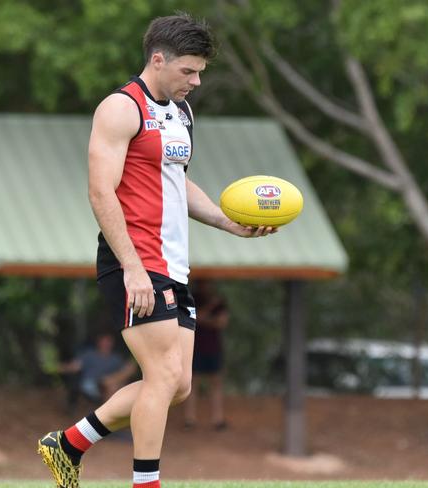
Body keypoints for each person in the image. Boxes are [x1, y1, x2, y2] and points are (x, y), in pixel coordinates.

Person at [37, 13, 277, 488]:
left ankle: (68, 444)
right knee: (164, 376)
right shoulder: (120, 109)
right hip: (134, 262)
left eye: (201, 71)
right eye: (188, 70)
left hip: (172, 263)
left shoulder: (181, 113)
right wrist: (132, 267)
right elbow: (101, 191)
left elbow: (176, 184)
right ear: (158, 59)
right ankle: (146, 484)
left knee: (178, 385)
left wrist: (229, 222)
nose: (197, 80)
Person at [183, 279, 229, 431]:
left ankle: (218, 419)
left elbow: (222, 322)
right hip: (195, 347)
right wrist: (210, 308)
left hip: (214, 348)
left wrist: (205, 319)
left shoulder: (220, 301)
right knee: (193, 383)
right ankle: (190, 419)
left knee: (216, 383)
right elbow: (194, 318)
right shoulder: (192, 299)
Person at [61, 331, 138, 406]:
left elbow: (125, 371)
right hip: (90, 383)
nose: (106, 343)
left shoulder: (116, 358)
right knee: (109, 386)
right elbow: (75, 366)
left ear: (112, 343)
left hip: (110, 383)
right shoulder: (89, 354)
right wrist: (58, 368)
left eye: (108, 341)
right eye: (103, 341)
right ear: (98, 342)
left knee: (114, 385)